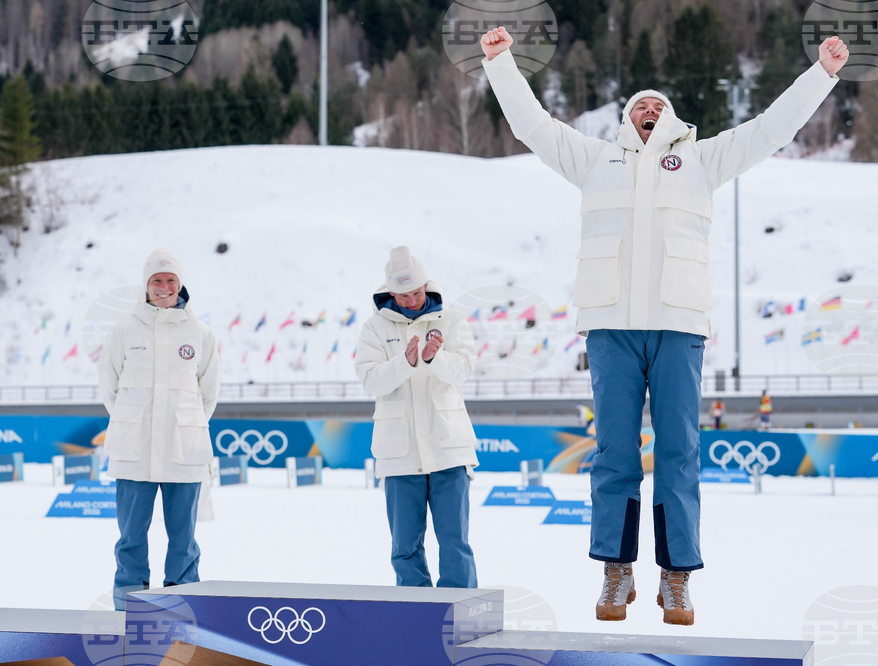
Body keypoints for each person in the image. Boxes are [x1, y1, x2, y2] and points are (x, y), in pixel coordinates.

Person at [480, 26, 848, 626]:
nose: (649, 108)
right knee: (613, 454)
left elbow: (772, 129)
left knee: (679, 454)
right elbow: (533, 126)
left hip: (678, 326)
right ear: (626, 122)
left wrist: (822, 74)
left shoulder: (701, 160)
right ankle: (616, 573)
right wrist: (500, 63)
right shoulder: (595, 159)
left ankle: (676, 578)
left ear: (673, 120)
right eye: (638, 106)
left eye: (659, 105)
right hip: (611, 328)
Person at [98, 249, 220, 610]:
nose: (163, 287)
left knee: (183, 538)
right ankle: (128, 604)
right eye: (156, 280)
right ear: (145, 286)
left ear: (180, 285)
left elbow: (208, 394)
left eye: (170, 280)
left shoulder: (200, 333)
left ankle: (182, 603)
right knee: (131, 536)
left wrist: (186, 424)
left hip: (184, 450)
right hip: (134, 450)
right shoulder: (124, 329)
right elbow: (110, 389)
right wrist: (133, 421)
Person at [355, 246, 479, 589]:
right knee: (404, 547)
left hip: (449, 449)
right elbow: (370, 379)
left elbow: (464, 369)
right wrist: (406, 362)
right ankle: (414, 617)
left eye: (418, 292)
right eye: (405, 295)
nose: (413, 300)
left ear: (427, 286)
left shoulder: (451, 320)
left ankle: (459, 614)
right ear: (390, 292)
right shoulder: (373, 327)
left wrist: (433, 358)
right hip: (400, 455)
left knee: (455, 543)